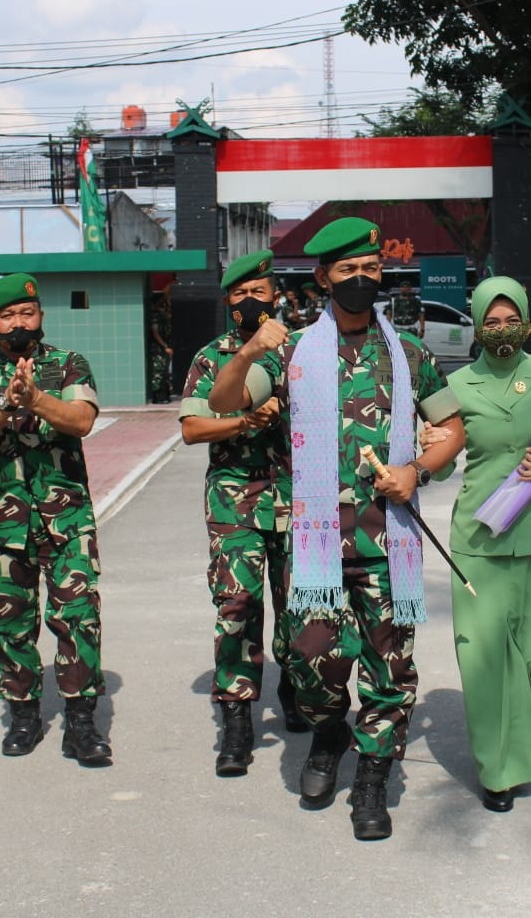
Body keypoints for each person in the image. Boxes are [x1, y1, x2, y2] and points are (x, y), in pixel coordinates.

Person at [207, 218, 463, 841]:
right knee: (311, 662)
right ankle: (328, 730)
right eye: (347, 271)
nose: (360, 281)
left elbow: (452, 427)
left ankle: (372, 779)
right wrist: (247, 351)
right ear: (323, 277)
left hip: (387, 540)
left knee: (389, 669)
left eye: (370, 270)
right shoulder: (292, 352)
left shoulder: (409, 353)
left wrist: (417, 469)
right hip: (314, 543)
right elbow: (221, 403)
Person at [0, 273, 112, 765]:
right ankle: (23, 713)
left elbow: (82, 420)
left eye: (28, 313)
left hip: (66, 521)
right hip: (2, 524)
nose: (20, 323)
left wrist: (36, 398)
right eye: (8, 316)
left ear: (40, 315)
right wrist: (4, 403)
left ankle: (81, 722)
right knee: (10, 622)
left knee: (78, 619)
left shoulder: (68, 364)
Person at [443, 276, 531, 813]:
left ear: (525, 321)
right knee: (486, 658)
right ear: (475, 325)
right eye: (490, 322)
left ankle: (518, 739)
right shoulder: (456, 386)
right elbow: (441, 455)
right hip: (479, 537)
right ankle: (499, 769)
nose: (501, 330)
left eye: (510, 319)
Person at [179, 249, 302, 779]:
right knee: (238, 603)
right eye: (241, 294)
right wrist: (247, 421)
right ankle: (236, 717)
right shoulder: (213, 357)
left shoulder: (305, 350)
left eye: (261, 292)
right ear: (229, 303)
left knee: (299, 602)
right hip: (236, 498)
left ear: (278, 295)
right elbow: (193, 428)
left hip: (298, 497)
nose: (252, 301)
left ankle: (298, 690)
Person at [148, 289, 174, 404]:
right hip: (158, 349)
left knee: (164, 372)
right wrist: (164, 346)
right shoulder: (155, 314)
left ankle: (163, 395)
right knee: (158, 373)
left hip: (163, 348)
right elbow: (155, 332)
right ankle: (156, 396)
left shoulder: (161, 313)